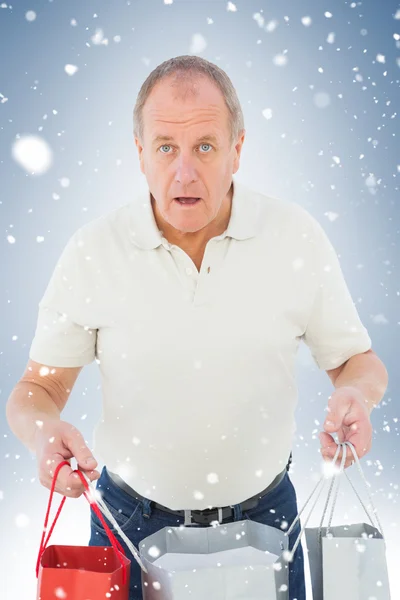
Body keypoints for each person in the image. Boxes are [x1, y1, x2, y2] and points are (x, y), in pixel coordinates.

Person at [6, 55, 388, 600]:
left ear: (237, 150)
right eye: (166, 147)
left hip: (267, 521)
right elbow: (37, 391)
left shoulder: (295, 238)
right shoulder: (93, 252)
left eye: (205, 146)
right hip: (128, 526)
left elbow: (358, 362)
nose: (184, 171)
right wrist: (45, 436)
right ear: (140, 154)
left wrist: (356, 393)